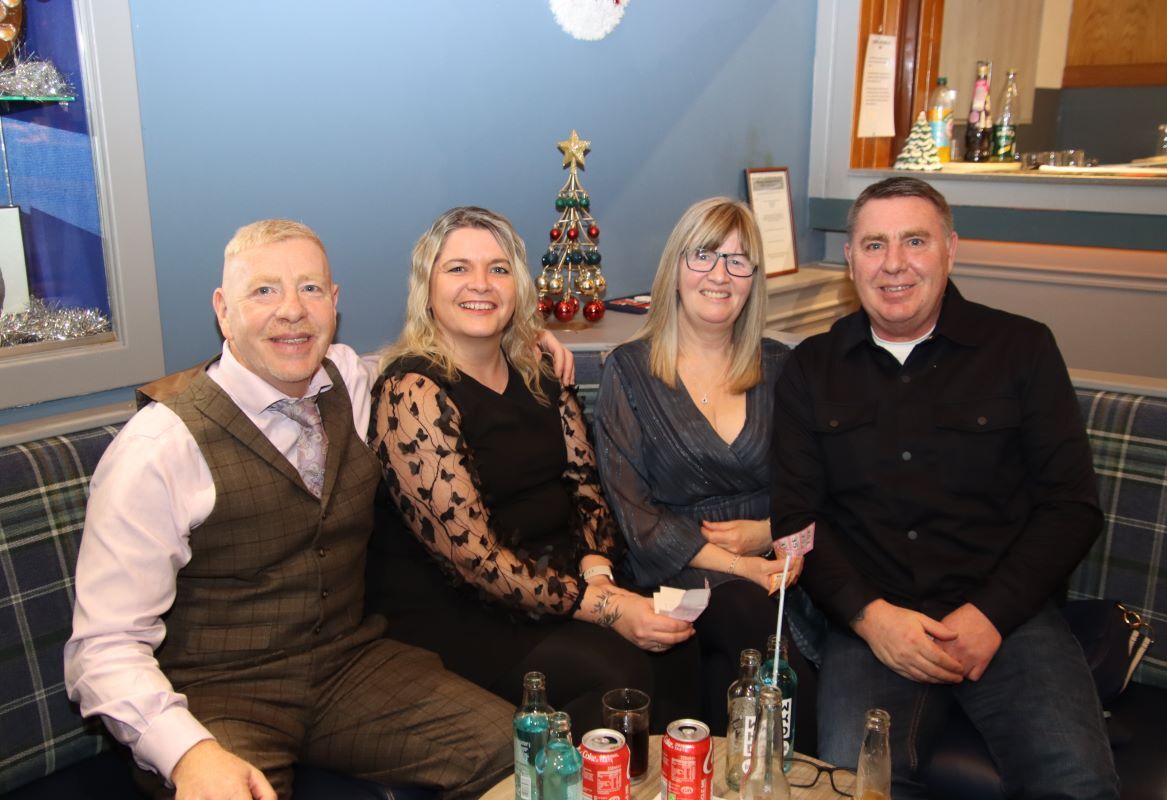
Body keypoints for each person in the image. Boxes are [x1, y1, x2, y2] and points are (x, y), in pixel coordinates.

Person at [64, 219, 517, 800]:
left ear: (334, 303)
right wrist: (188, 754)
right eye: (264, 291)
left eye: (309, 289)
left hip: (351, 669)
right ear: (223, 310)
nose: (292, 311)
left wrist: (519, 342)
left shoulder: (350, 379)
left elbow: (436, 356)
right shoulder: (159, 448)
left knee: (519, 751)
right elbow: (101, 648)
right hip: (220, 698)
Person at [771, 177, 1119, 798]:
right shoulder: (811, 369)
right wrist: (871, 619)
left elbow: (1071, 508)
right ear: (850, 260)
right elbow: (797, 521)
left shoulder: (1022, 349)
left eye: (915, 240)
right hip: (875, 626)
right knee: (854, 789)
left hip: (1008, 620)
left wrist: (990, 615)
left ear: (950, 249)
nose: (894, 263)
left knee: (1077, 785)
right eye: (874, 245)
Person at [366, 206, 696, 734]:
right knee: (621, 673)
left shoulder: (541, 371)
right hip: (460, 610)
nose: (481, 284)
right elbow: (475, 561)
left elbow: (586, 489)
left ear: (519, 286)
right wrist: (607, 609)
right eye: (457, 269)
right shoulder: (411, 393)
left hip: (556, 585)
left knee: (679, 649)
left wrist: (598, 573)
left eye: (498, 269)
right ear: (426, 289)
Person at [593, 197, 814, 744]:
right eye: (704, 256)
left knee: (732, 670)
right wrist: (743, 567)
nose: (720, 274)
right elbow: (635, 517)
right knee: (751, 629)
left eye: (738, 261)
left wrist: (771, 537)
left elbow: (817, 488)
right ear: (674, 269)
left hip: (779, 567)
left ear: (753, 280)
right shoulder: (630, 370)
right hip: (675, 566)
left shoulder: (783, 367)